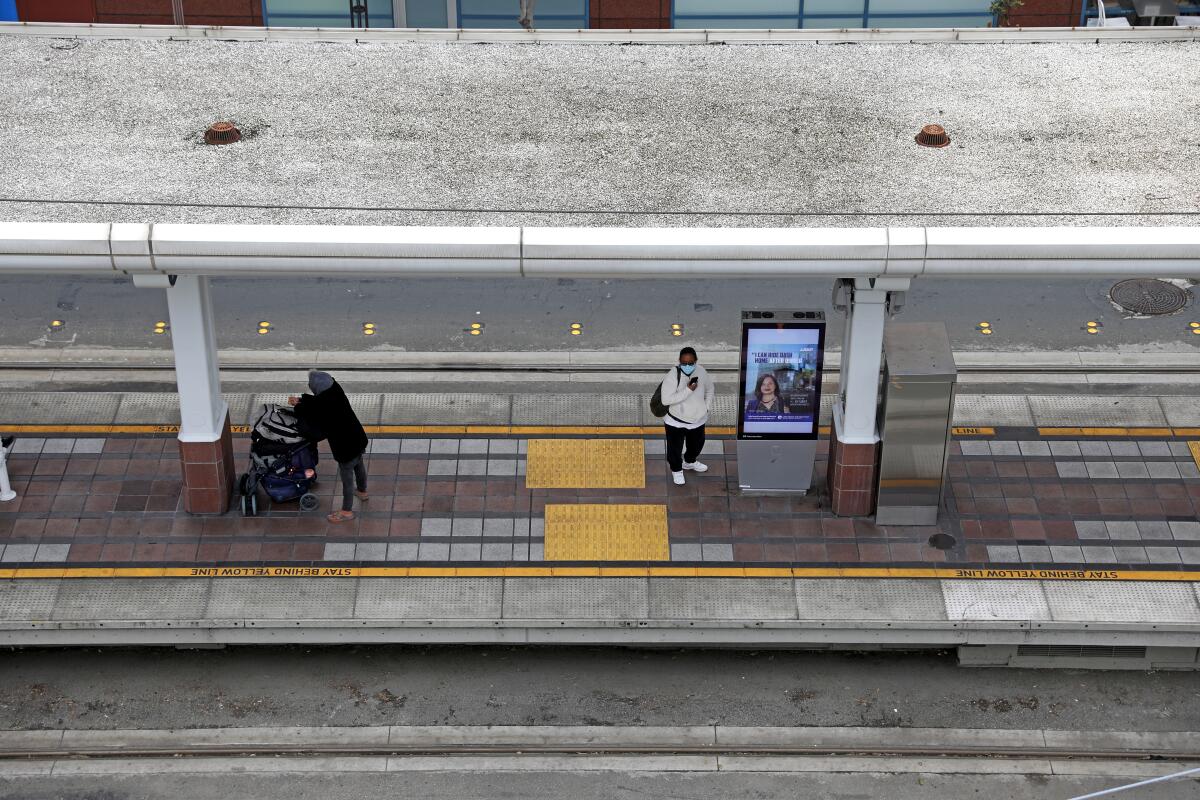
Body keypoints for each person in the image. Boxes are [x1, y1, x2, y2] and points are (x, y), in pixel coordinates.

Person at [289, 371, 368, 523]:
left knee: (347, 479)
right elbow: (319, 403)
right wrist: (301, 400)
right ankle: (363, 491)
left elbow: (317, 416)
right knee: (359, 465)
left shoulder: (324, 404)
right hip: (357, 438)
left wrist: (298, 407)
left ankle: (346, 511)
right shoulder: (335, 389)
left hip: (345, 447)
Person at [658, 346, 715, 486]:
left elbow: (710, 389)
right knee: (674, 449)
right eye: (684, 363)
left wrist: (706, 407)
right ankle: (677, 470)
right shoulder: (672, 375)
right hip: (675, 421)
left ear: (696, 361)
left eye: (690, 363)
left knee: (697, 445)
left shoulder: (701, 371)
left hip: (698, 420)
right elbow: (666, 400)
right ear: (679, 361)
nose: (687, 366)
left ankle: (689, 462)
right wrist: (688, 390)